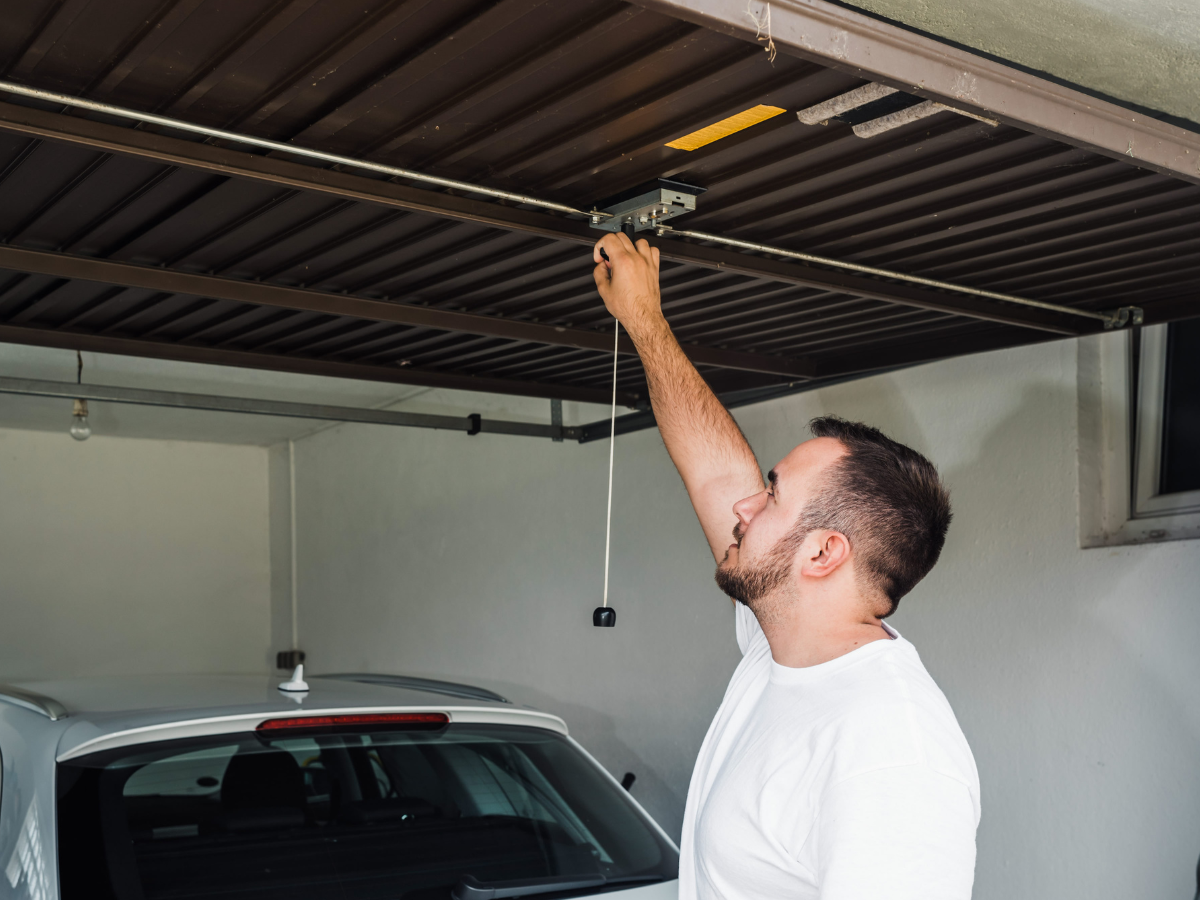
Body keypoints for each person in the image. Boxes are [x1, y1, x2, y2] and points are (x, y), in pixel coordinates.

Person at [592, 232, 980, 900]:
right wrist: (645, 322)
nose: (745, 504)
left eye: (771, 494)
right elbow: (716, 474)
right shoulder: (778, 649)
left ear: (824, 553)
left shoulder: (890, 748)